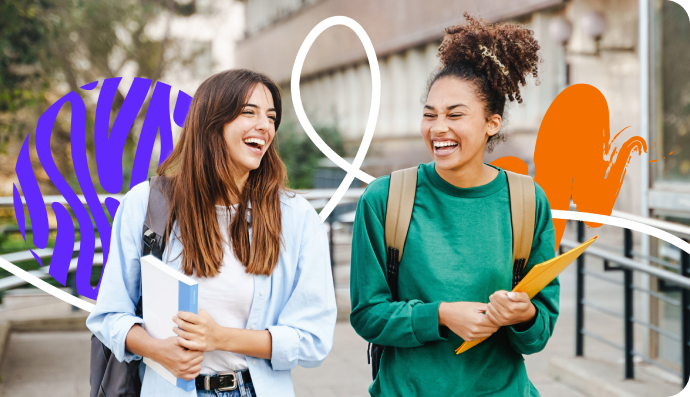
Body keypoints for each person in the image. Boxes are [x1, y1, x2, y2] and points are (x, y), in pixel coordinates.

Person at [87, 69, 337, 397]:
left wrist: (221, 337)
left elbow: (314, 338)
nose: (265, 125)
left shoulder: (296, 217)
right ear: (211, 122)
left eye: (272, 116)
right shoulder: (147, 205)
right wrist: (156, 349)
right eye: (249, 112)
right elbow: (109, 316)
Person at [350, 13, 558, 396]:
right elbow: (366, 315)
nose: (438, 128)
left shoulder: (527, 201)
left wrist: (523, 314)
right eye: (429, 115)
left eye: (455, 114)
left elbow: (537, 333)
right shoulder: (384, 199)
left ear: (492, 123)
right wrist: (441, 315)